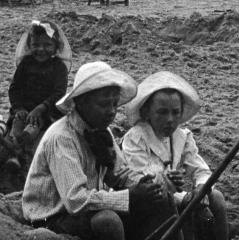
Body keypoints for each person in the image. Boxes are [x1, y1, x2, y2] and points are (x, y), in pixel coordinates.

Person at [22, 61, 171, 240]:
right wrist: (129, 196)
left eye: (115, 105)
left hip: (84, 210)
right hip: (52, 216)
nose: (111, 111)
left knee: (161, 200)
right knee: (107, 221)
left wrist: (143, 184)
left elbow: (119, 173)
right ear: (81, 103)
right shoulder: (62, 137)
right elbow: (75, 200)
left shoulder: (101, 130)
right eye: (104, 105)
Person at [122, 72, 229, 240]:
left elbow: (201, 171)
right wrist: (177, 192)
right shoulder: (136, 138)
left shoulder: (182, 136)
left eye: (175, 112)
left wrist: (201, 188)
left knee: (216, 197)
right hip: (147, 207)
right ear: (147, 112)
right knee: (169, 201)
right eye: (162, 112)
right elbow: (139, 181)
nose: (170, 119)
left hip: (174, 199)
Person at [8, 21, 71, 155]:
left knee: (36, 128)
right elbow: (14, 88)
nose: (41, 49)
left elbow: (59, 93)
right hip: (25, 108)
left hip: (47, 110)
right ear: (29, 46)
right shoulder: (26, 63)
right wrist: (19, 108)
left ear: (56, 47)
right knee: (16, 125)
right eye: (36, 45)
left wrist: (41, 108)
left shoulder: (59, 67)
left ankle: (26, 144)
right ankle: (15, 149)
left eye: (47, 45)